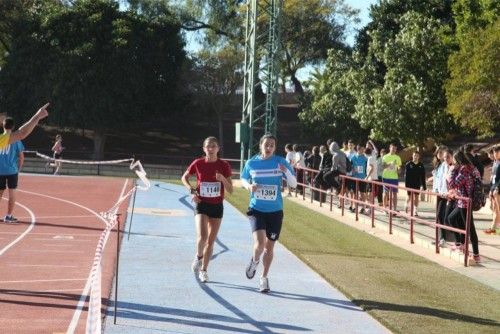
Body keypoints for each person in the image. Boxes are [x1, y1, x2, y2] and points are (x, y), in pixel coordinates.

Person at [241, 133, 296, 293]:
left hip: (275, 211)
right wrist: (249, 186)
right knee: (259, 244)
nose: (269, 148)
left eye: (272, 145)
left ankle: (263, 278)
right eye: (267, 145)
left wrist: (285, 170)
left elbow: (293, 184)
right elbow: (243, 178)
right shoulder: (252, 163)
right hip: (257, 209)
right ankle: (254, 261)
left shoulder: (280, 162)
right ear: (261, 146)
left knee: (270, 248)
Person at [181, 136, 233, 283]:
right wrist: (191, 190)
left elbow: (231, 190)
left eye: (213, 146)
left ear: (218, 149)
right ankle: (198, 256)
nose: (210, 149)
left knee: (211, 242)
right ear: (204, 149)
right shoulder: (198, 163)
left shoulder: (224, 165)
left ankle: (204, 270)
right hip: (201, 203)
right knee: (202, 237)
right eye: (208, 146)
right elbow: (184, 178)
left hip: (217, 206)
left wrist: (222, 179)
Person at [446, 151, 481, 263]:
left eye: (455, 161)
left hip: (465, 203)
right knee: (451, 218)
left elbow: (453, 184)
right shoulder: (472, 168)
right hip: (464, 202)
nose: (454, 163)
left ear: (459, 161)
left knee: (470, 229)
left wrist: (452, 171)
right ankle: (461, 245)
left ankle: (475, 254)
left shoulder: (464, 170)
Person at [0, 117, 24, 223]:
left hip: (0, 170)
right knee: (12, 193)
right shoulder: (16, 140)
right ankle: (9, 216)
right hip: (12, 171)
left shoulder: (0, 138)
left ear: (3, 126)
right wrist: (18, 169)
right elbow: (21, 157)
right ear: (13, 127)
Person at [404, 151, 426, 216]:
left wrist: (423, 186)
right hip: (410, 183)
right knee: (409, 196)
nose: (415, 157)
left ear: (419, 157)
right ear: (412, 156)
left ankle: (415, 210)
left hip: (417, 183)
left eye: (417, 155)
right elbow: (406, 175)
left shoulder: (421, 165)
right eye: (414, 155)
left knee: (416, 196)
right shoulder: (408, 164)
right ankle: (406, 204)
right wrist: (406, 185)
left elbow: (423, 175)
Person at [382, 143, 402, 213]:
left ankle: (394, 209)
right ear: (389, 148)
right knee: (385, 193)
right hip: (386, 177)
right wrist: (390, 164)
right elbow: (383, 166)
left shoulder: (398, 157)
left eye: (395, 148)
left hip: (394, 178)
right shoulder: (385, 157)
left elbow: (399, 168)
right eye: (392, 148)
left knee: (395, 193)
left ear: (396, 149)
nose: (393, 150)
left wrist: (399, 169)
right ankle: (384, 208)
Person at [485, 146, 500, 234]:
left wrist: (497, 187)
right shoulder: (495, 163)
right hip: (494, 189)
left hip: (498, 190)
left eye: (497, 152)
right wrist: (491, 189)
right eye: (494, 153)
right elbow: (493, 178)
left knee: (498, 210)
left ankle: (496, 229)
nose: (495, 154)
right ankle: (493, 228)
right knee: (494, 209)